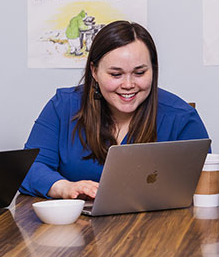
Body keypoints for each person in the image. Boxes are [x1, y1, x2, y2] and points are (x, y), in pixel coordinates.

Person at [20, 20, 209, 199]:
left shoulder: (182, 118)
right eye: (116, 74)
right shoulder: (62, 106)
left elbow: (206, 181)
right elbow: (31, 168)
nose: (128, 84)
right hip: (78, 228)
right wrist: (64, 187)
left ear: (153, 70)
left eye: (139, 73)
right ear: (94, 72)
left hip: (156, 228)